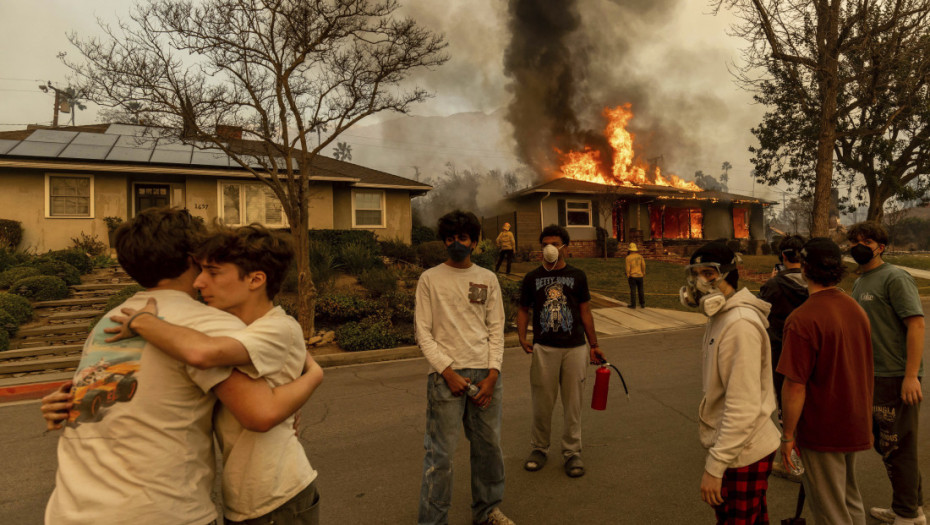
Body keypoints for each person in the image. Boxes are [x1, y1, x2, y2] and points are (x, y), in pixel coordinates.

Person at [41, 208, 320, 525]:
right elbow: (261, 411)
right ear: (193, 258)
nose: (204, 278)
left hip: (70, 509)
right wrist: (314, 376)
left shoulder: (110, 321)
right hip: (156, 511)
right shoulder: (207, 324)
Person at [415, 210, 513, 525]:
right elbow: (423, 334)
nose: (456, 243)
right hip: (445, 380)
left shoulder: (488, 279)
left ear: (475, 241)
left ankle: (486, 512)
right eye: (451, 238)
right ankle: (433, 520)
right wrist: (448, 372)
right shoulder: (429, 279)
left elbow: (496, 331)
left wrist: (493, 374)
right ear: (444, 240)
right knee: (439, 458)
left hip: (486, 377)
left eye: (463, 238)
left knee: (489, 451)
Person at [681, 241, 781, 525]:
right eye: (695, 274)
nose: (700, 282)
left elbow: (743, 406)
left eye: (709, 274)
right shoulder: (722, 317)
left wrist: (715, 467)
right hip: (739, 447)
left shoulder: (738, 324)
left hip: (743, 451)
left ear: (730, 274)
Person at [777, 238, 873, 524]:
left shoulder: (802, 319)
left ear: (804, 268)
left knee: (830, 510)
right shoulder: (854, 308)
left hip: (823, 427)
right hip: (854, 419)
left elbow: (795, 385)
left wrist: (788, 435)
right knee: (848, 498)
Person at [848, 221, 926, 525]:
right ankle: (909, 507)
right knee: (888, 445)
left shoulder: (895, 277)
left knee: (898, 445)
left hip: (895, 376)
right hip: (872, 375)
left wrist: (910, 376)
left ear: (881, 247)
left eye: (866, 241)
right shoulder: (860, 281)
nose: (859, 246)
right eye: (855, 240)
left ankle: (909, 515)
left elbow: (916, 324)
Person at [517, 224, 604, 478]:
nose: (550, 249)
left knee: (573, 404)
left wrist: (594, 344)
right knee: (542, 404)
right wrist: (522, 337)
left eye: (555, 244)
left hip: (575, 348)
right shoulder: (532, 278)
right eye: (545, 244)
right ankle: (539, 448)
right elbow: (523, 309)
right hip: (544, 348)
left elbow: (585, 311)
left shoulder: (578, 276)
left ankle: (572, 452)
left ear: (566, 246)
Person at [758, 235, 809, 414]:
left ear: (783, 257)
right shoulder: (815, 284)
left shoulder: (774, 286)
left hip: (780, 352)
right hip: (809, 352)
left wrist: (770, 282)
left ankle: (789, 436)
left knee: (786, 402)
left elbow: (760, 311)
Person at [625, 242, 646, 309]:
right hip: (640, 275)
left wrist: (628, 274)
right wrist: (643, 272)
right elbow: (643, 265)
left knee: (633, 290)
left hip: (633, 276)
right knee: (641, 290)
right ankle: (642, 304)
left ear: (630, 250)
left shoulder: (628, 258)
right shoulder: (640, 257)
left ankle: (633, 305)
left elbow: (628, 267)